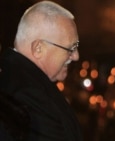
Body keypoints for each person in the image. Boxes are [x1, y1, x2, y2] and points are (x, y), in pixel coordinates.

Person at [0, 1, 83, 141]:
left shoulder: (18, 80)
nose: (76, 56)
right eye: (71, 48)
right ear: (38, 48)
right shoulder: (29, 95)